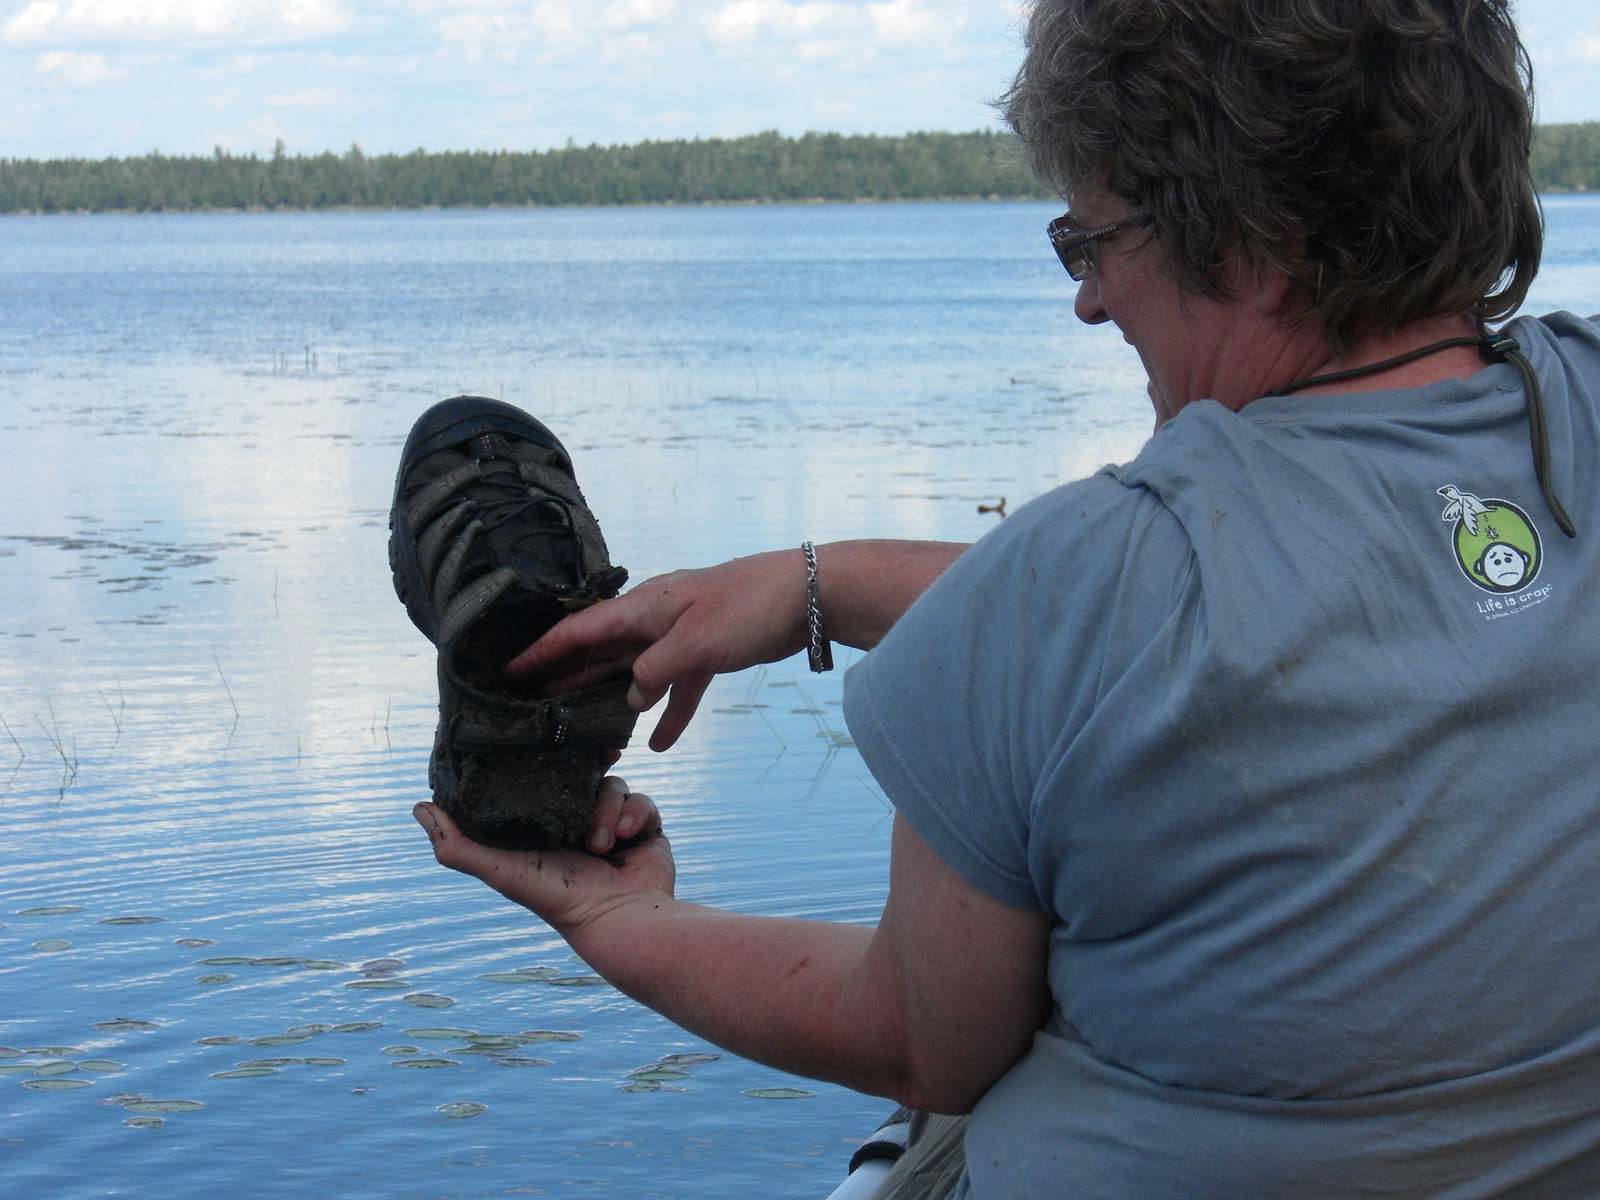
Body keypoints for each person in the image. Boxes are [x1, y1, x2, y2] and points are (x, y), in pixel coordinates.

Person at [413, 0, 1600, 1193]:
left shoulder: (1066, 588)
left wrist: (622, 922)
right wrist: (822, 587)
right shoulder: (1581, 407)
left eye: (1092, 242)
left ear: (1258, 241)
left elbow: (914, 1038)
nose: (1090, 301)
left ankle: (509, 726)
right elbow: (1286, 612)